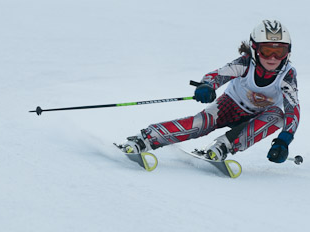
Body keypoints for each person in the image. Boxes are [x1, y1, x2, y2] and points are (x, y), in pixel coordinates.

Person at [122, 19, 300, 163]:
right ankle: (145, 138)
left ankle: (223, 146)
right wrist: (206, 86)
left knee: (278, 116)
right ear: (255, 49)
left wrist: (284, 140)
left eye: (280, 52)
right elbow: (217, 75)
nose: (273, 58)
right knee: (201, 124)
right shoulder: (245, 64)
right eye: (267, 51)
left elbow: (293, 109)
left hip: (258, 118)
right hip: (230, 106)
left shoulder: (287, 75)